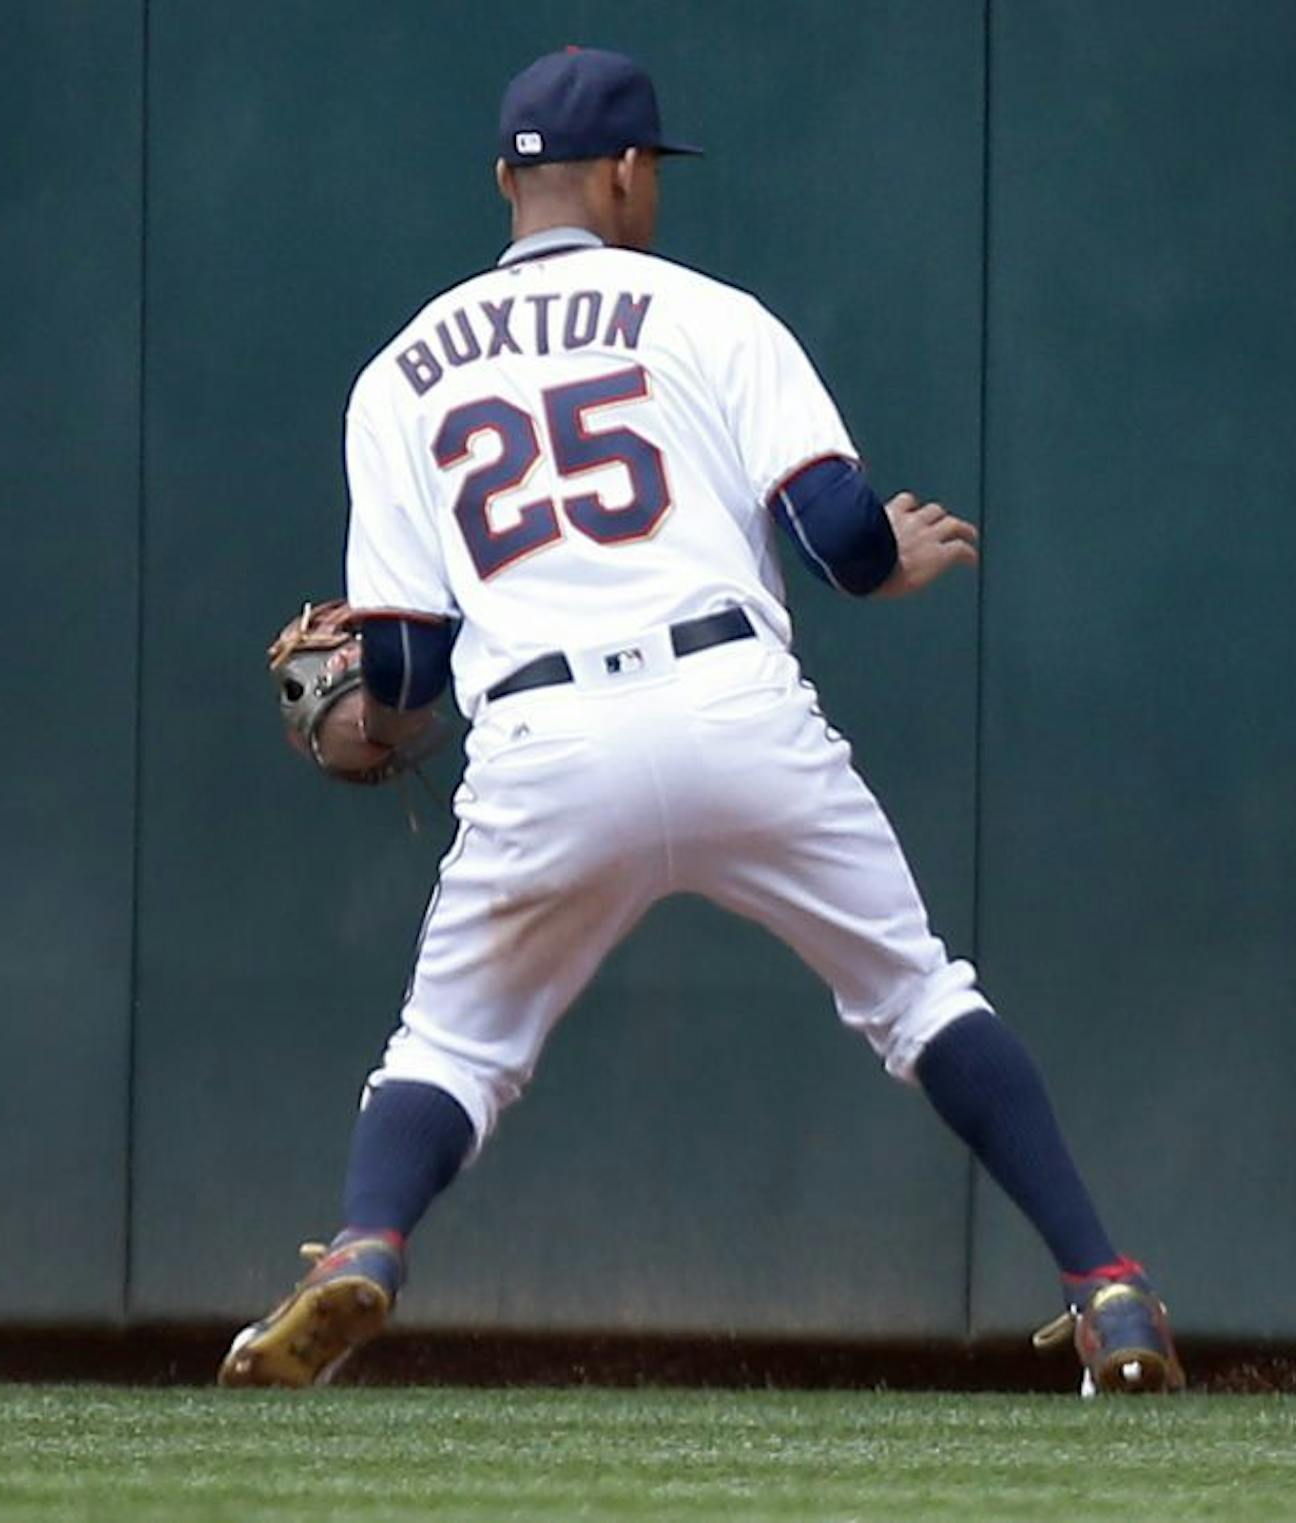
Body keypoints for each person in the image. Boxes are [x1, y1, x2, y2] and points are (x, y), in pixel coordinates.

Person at [218, 45, 1182, 1398]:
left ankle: (363, 1247)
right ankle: (1111, 1292)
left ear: (506, 177)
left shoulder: (397, 377)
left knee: (446, 1052)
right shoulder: (711, 315)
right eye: (649, 173)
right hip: (736, 713)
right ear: (622, 172)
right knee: (915, 996)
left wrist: (357, 714)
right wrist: (887, 561)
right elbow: (839, 537)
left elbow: (407, 674)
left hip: (546, 744)